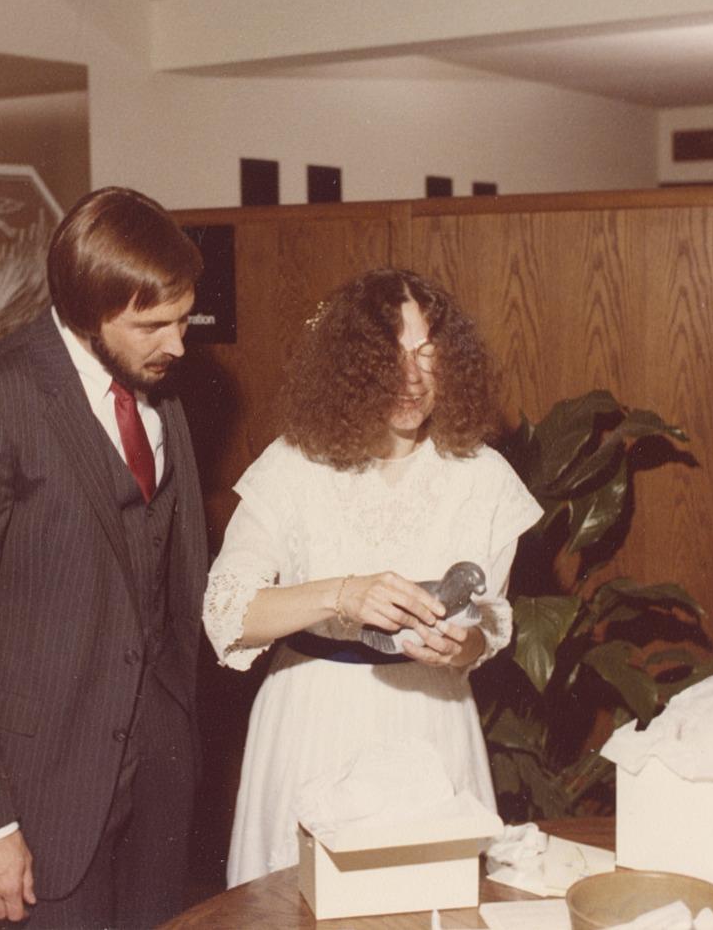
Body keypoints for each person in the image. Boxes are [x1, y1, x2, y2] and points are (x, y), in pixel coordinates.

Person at [0, 185, 210, 927]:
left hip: (160, 763)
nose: (177, 344)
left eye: (182, 318)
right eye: (152, 324)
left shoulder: (158, 387)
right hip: (46, 785)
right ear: (85, 310)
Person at [203, 267, 543, 887]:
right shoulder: (292, 466)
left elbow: (489, 625)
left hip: (432, 726)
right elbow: (229, 612)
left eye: (427, 354)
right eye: (389, 357)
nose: (411, 379)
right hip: (310, 723)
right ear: (351, 366)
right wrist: (341, 594)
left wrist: (460, 645)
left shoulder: (484, 478)